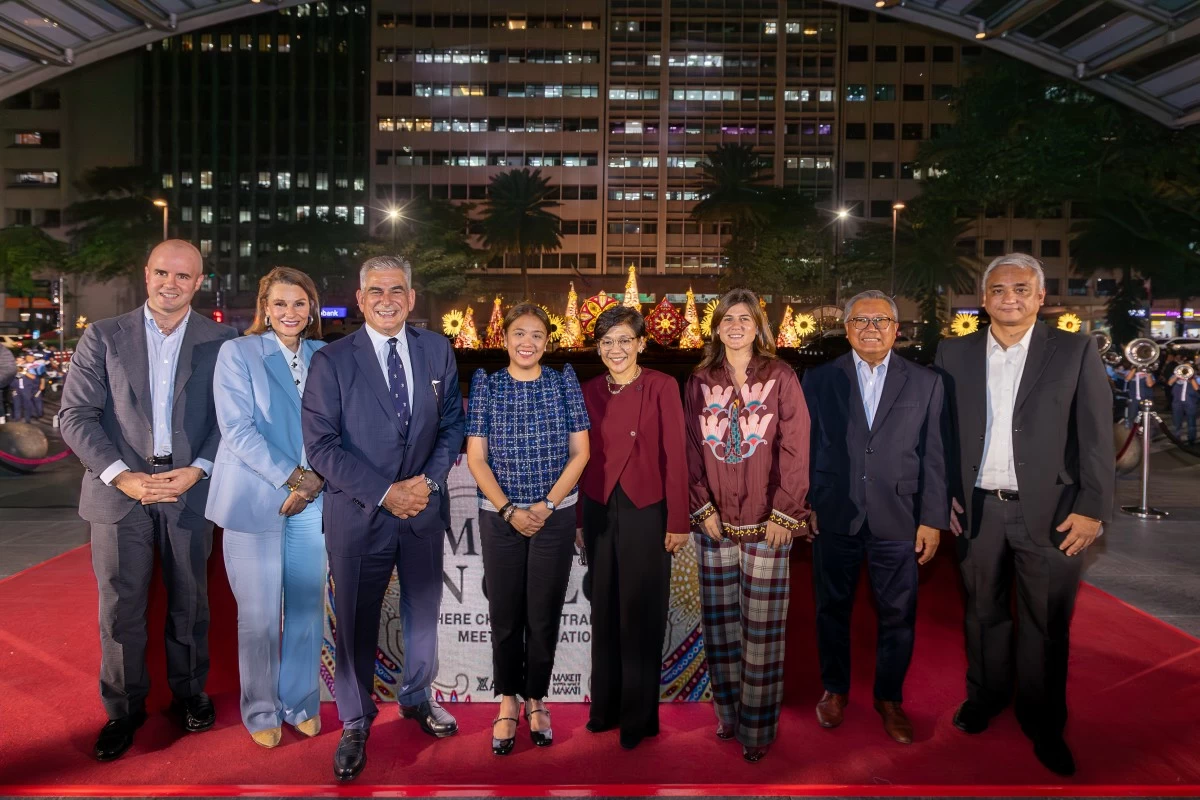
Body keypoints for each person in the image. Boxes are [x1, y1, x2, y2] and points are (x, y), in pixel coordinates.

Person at [935, 253, 1114, 777]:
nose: (1008, 297)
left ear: (1040, 297)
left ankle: (1043, 722)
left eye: (1020, 288)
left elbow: (1097, 438)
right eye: (998, 289)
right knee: (982, 612)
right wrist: (942, 495)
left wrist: (1091, 509)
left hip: (1056, 513)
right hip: (978, 510)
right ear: (983, 298)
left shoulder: (1076, 350)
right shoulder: (953, 352)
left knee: (1046, 623)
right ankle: (985, 698)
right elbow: (941, 434)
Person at [59, 240, 237, 762]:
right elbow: (76, 416)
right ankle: (123, 710)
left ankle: (189, 694)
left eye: (183, 276)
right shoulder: (102, 336)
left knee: (190, 602)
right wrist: (122, 477)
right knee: (120, 608)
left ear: (199, 282)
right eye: (162, 272)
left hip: (188, 489)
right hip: (120, 493)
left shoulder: (221, 341)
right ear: (146, 273)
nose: (170, 283)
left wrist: (199, 469)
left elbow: (230, 421)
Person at [301, 255, 464, 782]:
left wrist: (427, 485)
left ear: (412, 298)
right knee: (353, 621)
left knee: (423, 614)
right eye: (376, 290)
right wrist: (385, 492)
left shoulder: (437, 349)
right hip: (358, 514)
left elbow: (452, 429)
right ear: (361, 296)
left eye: (397, 290)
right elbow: (321, 448)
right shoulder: (331, 360)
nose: (387, 299)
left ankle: (416, 697)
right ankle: (355, 719)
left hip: (421, 511)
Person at [801, 289, 948, 745]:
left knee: (898, 614)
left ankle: (890, 698)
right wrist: (803, 504)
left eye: (881, 320)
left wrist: (932, 519)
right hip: (833, 513)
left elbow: (935, 456)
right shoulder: (818, 379)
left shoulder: (926, 382)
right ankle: (836, 689)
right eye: (860, 321)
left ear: (896, 329)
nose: (870, 328)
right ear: (846, 329)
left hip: (899, 517)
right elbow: (804, 449)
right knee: (831, 610)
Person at [685, 288, 810, 763]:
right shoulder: (699, 381)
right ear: (716, 327)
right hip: (715, 526)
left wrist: (786, 513)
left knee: (761, 634)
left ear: (759, 325)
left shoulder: (780, 376)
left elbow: (797, 447)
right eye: (727, 318)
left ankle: (756, 731)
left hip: (767, 526)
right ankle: (727, 716)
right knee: (720, 629)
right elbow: (691, 450)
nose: (736, 325)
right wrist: (702, 508)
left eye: (745, 318)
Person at [205, 267, 328, 748]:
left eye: (299, 303)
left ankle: (301, 702)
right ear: (264, 307)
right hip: (254, 501)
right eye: (280, 304)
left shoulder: (325, 355)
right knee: (257, 617)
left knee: (305, 610)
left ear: (312, 308)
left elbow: (336, 426)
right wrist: (296, 478)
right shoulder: (237, 353)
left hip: (313, 501)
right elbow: (237, 431)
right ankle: (260, 710)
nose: (289, 313)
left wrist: (314, 482)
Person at [465, 303, 590, 757]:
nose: (528, 342)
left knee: (543, 614)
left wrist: (546, 505)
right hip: (499, 517)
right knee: (505, 615)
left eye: (537, 335)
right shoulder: (487, 386)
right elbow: (476, 458)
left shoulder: (563, 383)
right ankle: (507, 700)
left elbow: (581, 453)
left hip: (554, 516)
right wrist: (509, 510)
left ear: (547, 342)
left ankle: (537, 696)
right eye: (519, 333)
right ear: (505, 338)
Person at [578, 306, 689, 750]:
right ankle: (603, 709)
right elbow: (579, 458)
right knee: (604, 610)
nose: (616, 349)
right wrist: (579, 518)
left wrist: (678, 520)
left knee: (640, 614)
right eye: (606, 342)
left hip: (648, 508)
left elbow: (676, 457)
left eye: (625, 340)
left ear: (642, 343)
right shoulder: (589, 389)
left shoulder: (662, 386)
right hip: (600, 508)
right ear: (598, 348)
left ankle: (638, 720)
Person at [1167, 367, 1199, 444]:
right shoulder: (1176, 376)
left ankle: (1191, 439)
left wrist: (1191, 378)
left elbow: (1196, 387)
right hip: (1177, 402)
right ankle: (1176, 438)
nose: (1185, 370)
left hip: (1190, 402)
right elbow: (1169, 383)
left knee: (1191, 421)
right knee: (1176, 421)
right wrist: (1177, 375)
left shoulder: (1197, 377)